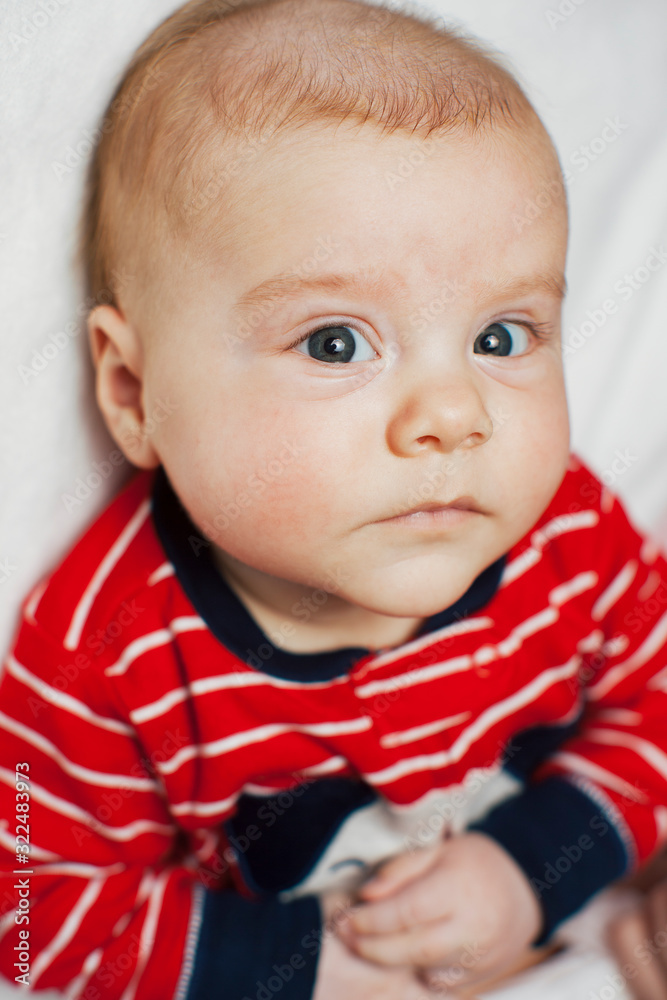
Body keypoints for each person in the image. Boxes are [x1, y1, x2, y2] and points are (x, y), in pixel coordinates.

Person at [2, 0, 667, 997]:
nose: (455, 414)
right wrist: (323, 962)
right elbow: (33, 912)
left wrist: (532, 867)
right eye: (335, 343)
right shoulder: (109, 654)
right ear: (135, 393)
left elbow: (655, 698)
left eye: (500, 337)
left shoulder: (567, 530)